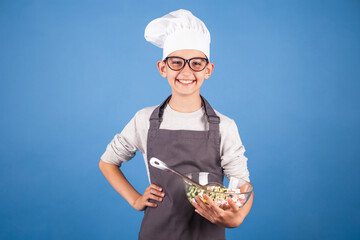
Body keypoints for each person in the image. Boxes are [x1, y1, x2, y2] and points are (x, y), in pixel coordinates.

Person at [99, 9, 254, 240]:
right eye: (177, 62)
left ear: (208, 70)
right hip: (157, 232)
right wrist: (135, 199)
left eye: (196, 63)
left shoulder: (224, 126)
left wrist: (237, 217)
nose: (186, 71)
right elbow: (108, 162)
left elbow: (242, 183)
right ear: (163, 68)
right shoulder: (144, 120)